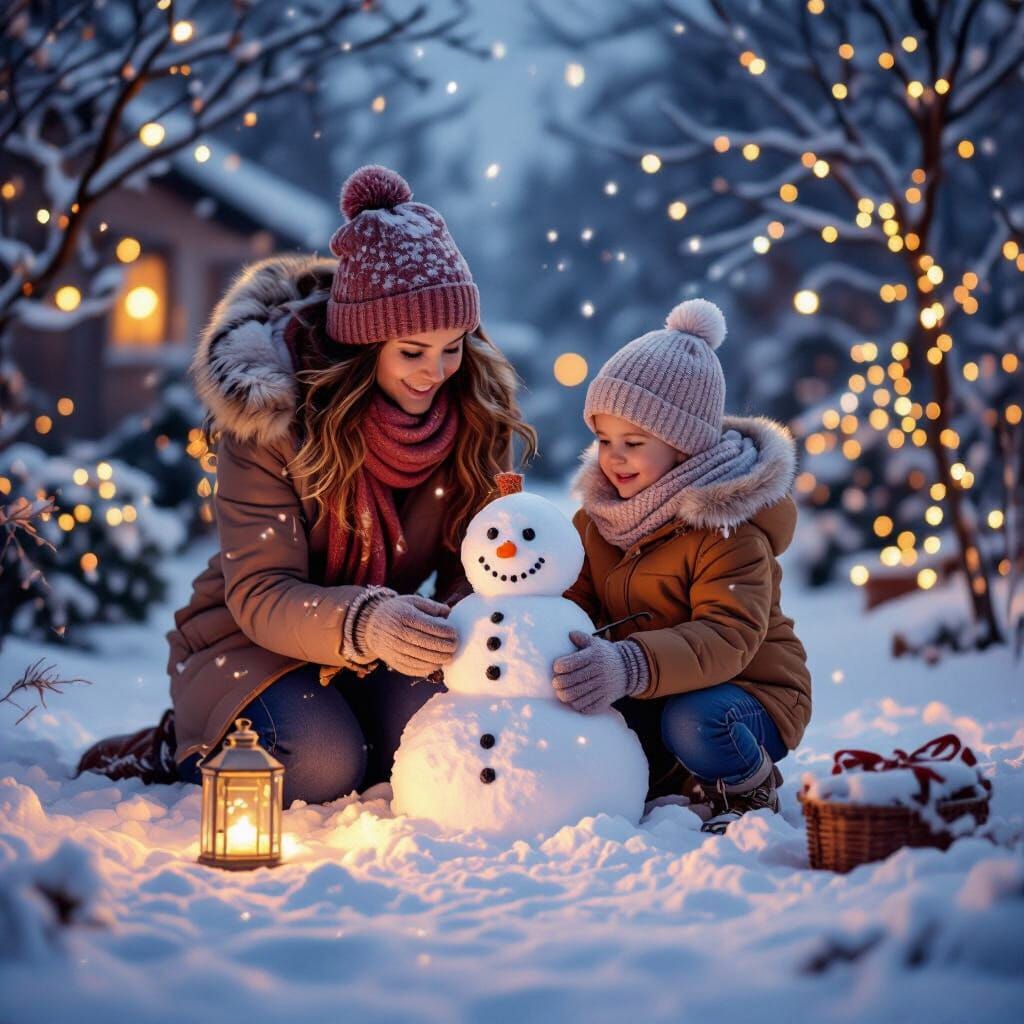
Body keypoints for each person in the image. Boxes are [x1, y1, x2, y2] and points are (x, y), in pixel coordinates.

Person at [77, 165, 536, 805]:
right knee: (321, 767)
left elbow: (479, 560)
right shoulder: (272, 417)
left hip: (388, 636)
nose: (436, 372)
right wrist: (366, 622)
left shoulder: (475, 411)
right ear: (365, 341)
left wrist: (467, 623)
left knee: (442, 739)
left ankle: (362, 728)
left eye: (453, 346)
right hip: (250, 639)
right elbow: (261, 592)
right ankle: (175, 745)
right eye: (412, 351)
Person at [553, 298, 811, 834]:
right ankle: (666, 775)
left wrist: (629, 665)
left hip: (749, 694)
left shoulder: (727, 529)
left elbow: (727, 635)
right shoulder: (598, 519)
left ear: (683, 447)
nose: (613, 457)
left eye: (633, 443)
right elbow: (573, 597)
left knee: (693, 721)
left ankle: (747, 786)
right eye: (604, 440)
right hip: (653, 682)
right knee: (603, 724)